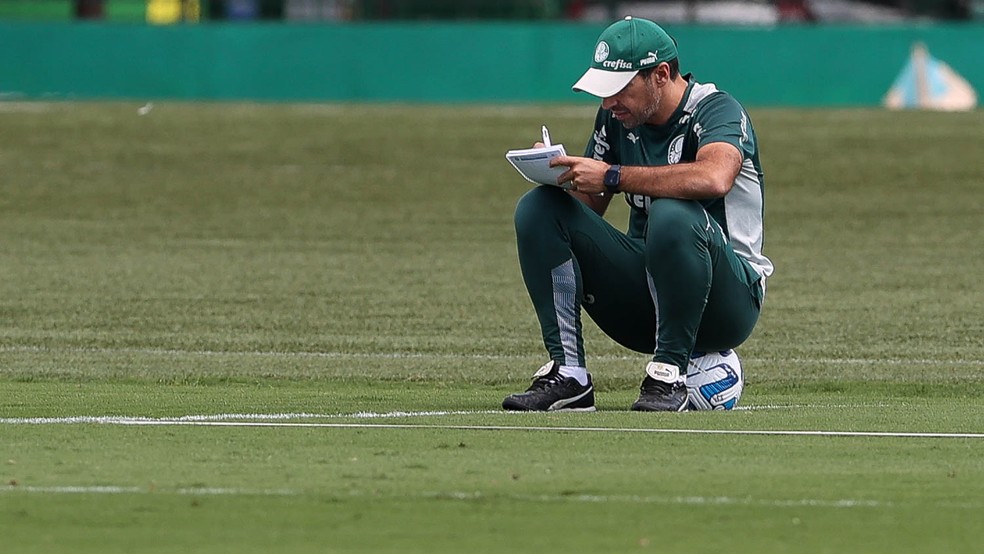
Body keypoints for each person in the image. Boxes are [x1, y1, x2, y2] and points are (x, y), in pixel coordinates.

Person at [502, 16, 773, 412]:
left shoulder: (718, 111)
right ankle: (569, 374)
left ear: (660, 75)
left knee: (673, 212)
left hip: (728, 303)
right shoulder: (616, 119)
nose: (608, 103)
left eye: (618, 89)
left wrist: (612, 175)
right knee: (539, 208)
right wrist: (558, 175)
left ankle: (669, 374)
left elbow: (714, 178)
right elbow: (586, 210)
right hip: (646, 297)